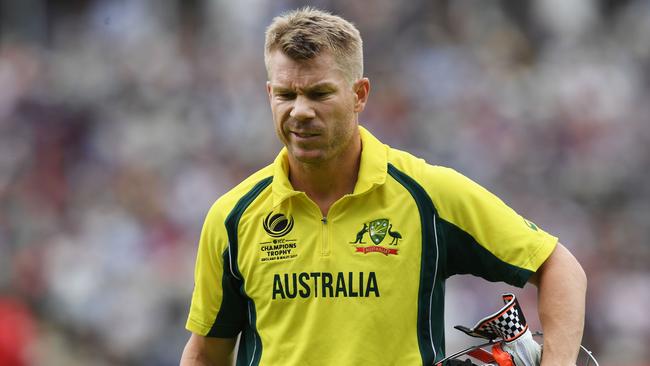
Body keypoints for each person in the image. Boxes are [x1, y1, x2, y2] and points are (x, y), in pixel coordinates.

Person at [180, 7, 587, 366]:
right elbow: (205, 353)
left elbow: (559, 267)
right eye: (286, 94)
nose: (300, 111)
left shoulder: (427, 195)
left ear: (359, 94)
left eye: (320, 93)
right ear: (269, 94)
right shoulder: (233, 216)